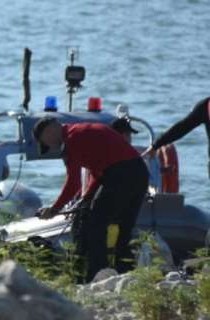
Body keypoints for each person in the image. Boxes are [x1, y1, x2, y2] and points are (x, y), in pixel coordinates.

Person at [34, 118, 148, 282]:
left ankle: (97, 275)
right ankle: (126, 276)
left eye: (46, 143)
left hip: (121, 175)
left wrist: (54, 209)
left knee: (96, 225)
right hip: (139, 173)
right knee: (124, 229)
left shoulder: (72, 140)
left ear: (49, 131)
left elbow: (73, 182)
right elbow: (98, 172)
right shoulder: (81, 132)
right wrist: (85, 199)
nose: (51, 147)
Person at [143, 97, 210, 175]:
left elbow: (182, 127)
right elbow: (182, 127)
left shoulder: (205, 106)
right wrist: (156, 145)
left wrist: (156, 145)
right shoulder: (205, 107)